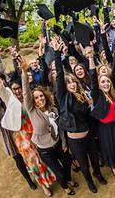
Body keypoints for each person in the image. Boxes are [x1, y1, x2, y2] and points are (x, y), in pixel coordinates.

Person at [0, 59, 56, 197]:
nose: (17, 91)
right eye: (14, 89)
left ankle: (51, 176)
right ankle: (43, 185)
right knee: (33, 162)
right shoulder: (9, 99)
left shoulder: (29, 98)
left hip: (36, 132)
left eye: (19, 88)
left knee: (43, 157)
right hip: (22, 137)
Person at [51, 38, 106, 194]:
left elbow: (89, 113)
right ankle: (89, 181)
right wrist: (56, 52)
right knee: (84, 164)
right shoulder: (63, 97)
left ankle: (98, 174)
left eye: (74, 82)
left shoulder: (83, 96)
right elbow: (60, 75)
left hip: (88, 135)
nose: (73, 85)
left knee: (95, 159)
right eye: (69, 84)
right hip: (75, 140)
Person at [0, 49, 37, 191]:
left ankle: (38, 172)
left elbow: (3, 74)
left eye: (4, 81)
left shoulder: (12, 95)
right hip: (7, 129)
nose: (2, 83)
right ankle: (29, 180)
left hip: (22, 126)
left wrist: (1, 57)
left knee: (32, 151)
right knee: (17, 157)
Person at [19, 57, 76, 195]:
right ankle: (65, 186)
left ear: (45, 96)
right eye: (37, 98)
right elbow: (26, 92)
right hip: (45, 149)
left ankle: (68, 179)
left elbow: (60, 128)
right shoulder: (33, 111)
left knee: (67, 162)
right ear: (33, 101)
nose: (40, 99)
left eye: (41, 96)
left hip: (57, 144)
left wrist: (63, 142)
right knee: (58, 170)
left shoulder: (54, 110)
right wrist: (24, 72)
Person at [86, 46, 115, 179]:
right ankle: (113, 167)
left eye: (107, 81)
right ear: (98, 84)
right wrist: (91, 58)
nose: (105, 84)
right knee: (110, 148)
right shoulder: (97, 95)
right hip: (104, 128)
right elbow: (93, 77)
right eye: (102, 82)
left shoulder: (112, 94)